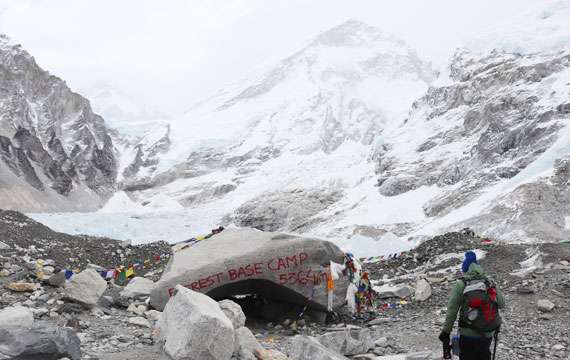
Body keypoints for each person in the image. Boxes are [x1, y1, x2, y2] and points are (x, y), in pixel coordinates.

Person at [439, 251, 505, 360]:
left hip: (467, 334)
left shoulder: (461, 284)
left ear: (465, 268)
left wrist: (446, 332)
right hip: (488, 333)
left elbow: (452, 311)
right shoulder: (490, 282)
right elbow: (502, 304)